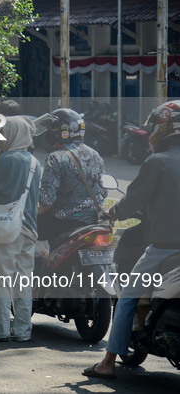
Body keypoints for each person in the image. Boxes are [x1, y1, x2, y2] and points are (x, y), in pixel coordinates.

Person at [83, 100, 180, 379]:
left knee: (126, 297)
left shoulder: (157, 162)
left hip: (164, 249)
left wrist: (112, 213)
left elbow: (131, 201)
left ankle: (108, 362)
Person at [0, 116, 41, 342]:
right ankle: (23, 331)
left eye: (0, 135)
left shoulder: (5, 161)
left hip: (6, 230)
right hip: (30, 228)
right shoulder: (34, 162)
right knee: (23, 281)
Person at [37, 108, 106, 249]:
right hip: (93, 220)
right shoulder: (95, 155)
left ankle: (43, 265)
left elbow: (46, 202)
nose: (49, 133)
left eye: (53, 128)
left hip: (63, 222)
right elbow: (103, 192)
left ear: (64, 131)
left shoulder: (55, 158)